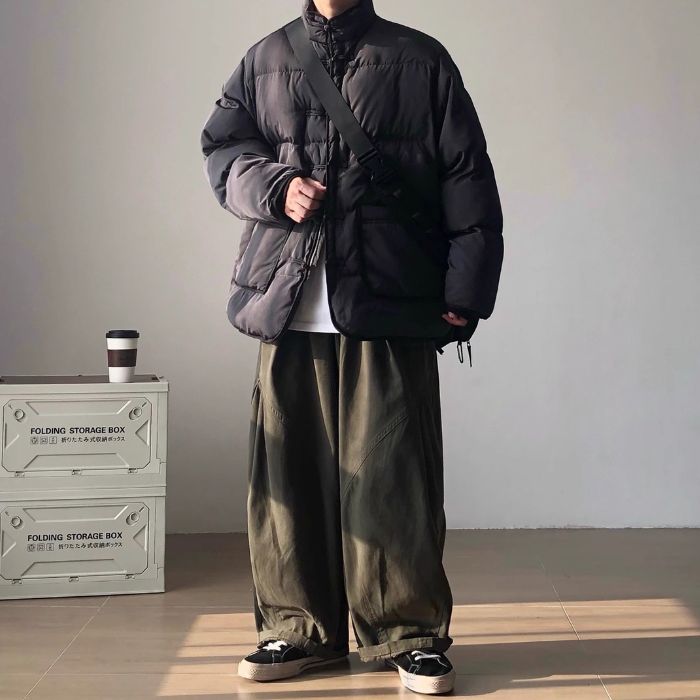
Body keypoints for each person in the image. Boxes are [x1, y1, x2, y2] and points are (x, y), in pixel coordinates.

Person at [200, 0, 503, 693]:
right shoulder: (266, 57)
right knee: (285, 480)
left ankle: (408, 633)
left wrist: (466, 292)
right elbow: (222, 151)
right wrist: (275, 188)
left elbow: (467, 178)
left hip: (388, 297)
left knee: (394, 479)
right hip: (287, 300)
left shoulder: (420, 59)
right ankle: (296, 628)